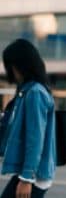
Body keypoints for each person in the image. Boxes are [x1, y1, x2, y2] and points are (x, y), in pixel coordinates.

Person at [0, 39, 56, 198]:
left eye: (11, 66)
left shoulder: (35, 93)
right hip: (28, 172)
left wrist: (27, 178)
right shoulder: (27, 90)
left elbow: (35, 138)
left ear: (21, 65)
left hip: (33, 175)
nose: (11, 72)